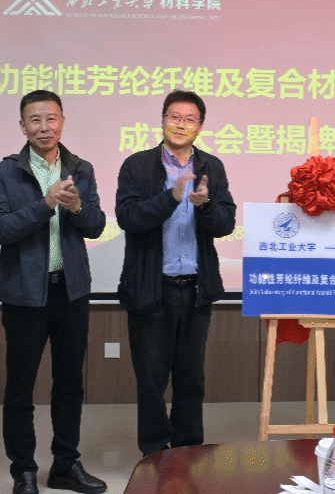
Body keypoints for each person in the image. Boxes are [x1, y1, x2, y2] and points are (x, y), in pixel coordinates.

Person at [0, 90, 107, 494]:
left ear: (62, 122)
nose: (44, 127)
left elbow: (96, 226)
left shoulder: (81, 169)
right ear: (22, 126)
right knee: (21, 387)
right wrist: (45, 203)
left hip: (71, 292)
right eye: (34, 120)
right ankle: (23, 470)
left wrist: (76, 208)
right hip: (24, 295)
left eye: (51, 119)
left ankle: (65, 465)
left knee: (69, 383)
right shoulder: (4, 172)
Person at [115, 90, 236, 456]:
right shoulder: (137, 165)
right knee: (152, 380)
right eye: (174, 117)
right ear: (163, 120)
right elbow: (129, 218)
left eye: (189, 119)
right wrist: (169, 198)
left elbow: (225, 224)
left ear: (200, 126)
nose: (181, 125)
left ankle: (187, 451)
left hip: (195, 289)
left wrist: (206, 204)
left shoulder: (212, 167)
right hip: (151, 289)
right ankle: (154, 453)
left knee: (191, 377)